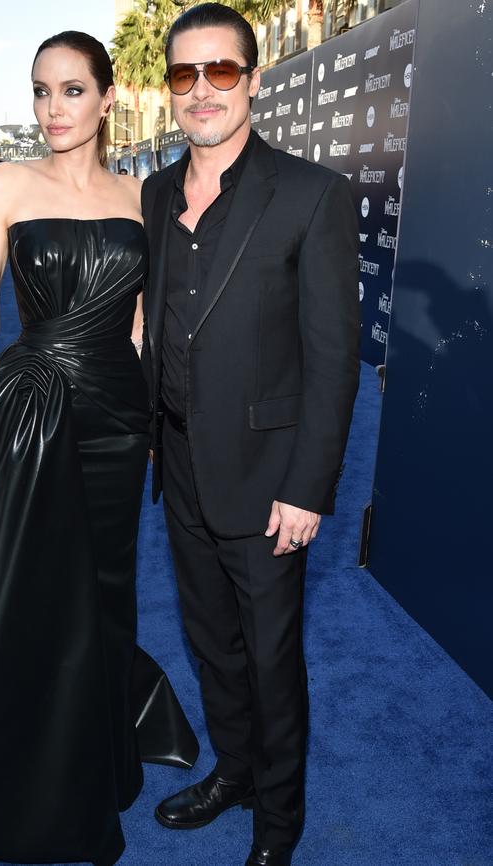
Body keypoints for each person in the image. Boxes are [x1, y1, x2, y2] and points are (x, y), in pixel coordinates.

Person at [0, 30, 196, 866]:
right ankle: (5, 768)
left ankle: (90, 758)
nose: (54, 109)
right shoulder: (4, 181)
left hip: (118, 422)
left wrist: (153, 427)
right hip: (29, 410)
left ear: (108, 97)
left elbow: (134, 324)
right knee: (21, 586)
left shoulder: (140, 196)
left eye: (72, 91)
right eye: (42, 91)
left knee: (104, 587)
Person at [141, 5, 361, 866]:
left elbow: (334, 358)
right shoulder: (156, 194)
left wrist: (308, 487)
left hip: (271, 477)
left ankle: (280, 822)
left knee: (272, 658)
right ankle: (232, 771)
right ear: (170, 90)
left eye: (221, 72)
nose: (203, 92)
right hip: (181, 467)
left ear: (254, 80)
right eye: (185, 76)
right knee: (209, 641)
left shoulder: (312, 194)